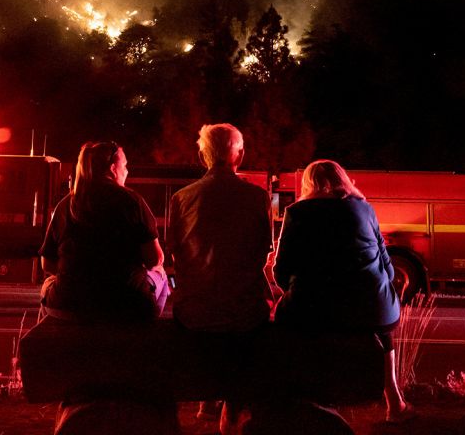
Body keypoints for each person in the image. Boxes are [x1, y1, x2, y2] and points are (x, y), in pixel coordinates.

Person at [271, 159, 414, 423]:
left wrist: (294, 290)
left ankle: (297, 399)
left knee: (282, 324)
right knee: (381, 328)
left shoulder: (296, 213)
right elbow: (388, 269)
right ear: (343, 181)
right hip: (371, 308)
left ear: (308, 184)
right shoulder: (365, 209)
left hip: (313, 309)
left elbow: (281, 271)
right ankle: (394, 401)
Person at [167, 124, 273, 434]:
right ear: (239, 155)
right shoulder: (256, 197)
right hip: (243, 315)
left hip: (193, 314)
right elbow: (262, 254)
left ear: (203, 156)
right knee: (250, 318)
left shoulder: (182, 198)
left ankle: (209, 400)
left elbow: (177, 258)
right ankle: (232, 406)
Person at [39, 141, 168, 322]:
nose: (127, 171)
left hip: (68, 304)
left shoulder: (65, 206)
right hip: (126, 306)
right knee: (161, 273)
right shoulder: (132, 201)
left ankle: (51, 341)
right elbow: (154, 259)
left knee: (48, 285)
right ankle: (147, 331)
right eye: (125, 165)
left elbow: (47, 265)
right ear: (113, 168)